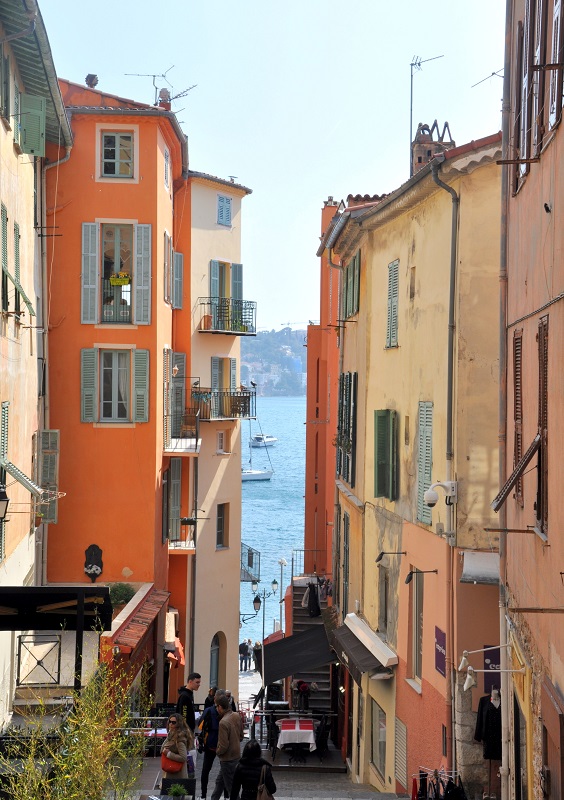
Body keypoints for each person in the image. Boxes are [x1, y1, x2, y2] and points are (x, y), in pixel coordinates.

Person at [210, 694, 244, 800]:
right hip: (236, 756)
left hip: (227, 759)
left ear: (220, 706)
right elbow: (241, 736)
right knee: (219, 783)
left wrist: (217, 751)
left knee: (231, 790)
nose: (216, 709)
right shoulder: (236, 715)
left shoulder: (223, 722)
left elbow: (223, 745)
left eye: (217, 706)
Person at [197, 700, 221, 800]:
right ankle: (227, 795)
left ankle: (203, 795)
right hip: (222, 745)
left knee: (205, 770)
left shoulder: (208, 710)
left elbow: (200, 725)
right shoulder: (228, 712)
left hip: (210, 744)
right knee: (225, 770)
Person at [161, 712, 193, 781]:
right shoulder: (170, 735)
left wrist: (169, 754)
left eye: (173, 722)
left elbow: (183, 757)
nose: (171, 724)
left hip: (177, 774)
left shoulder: (180, 739)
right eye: (169, 722)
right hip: (170, 771)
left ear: (179, 724)